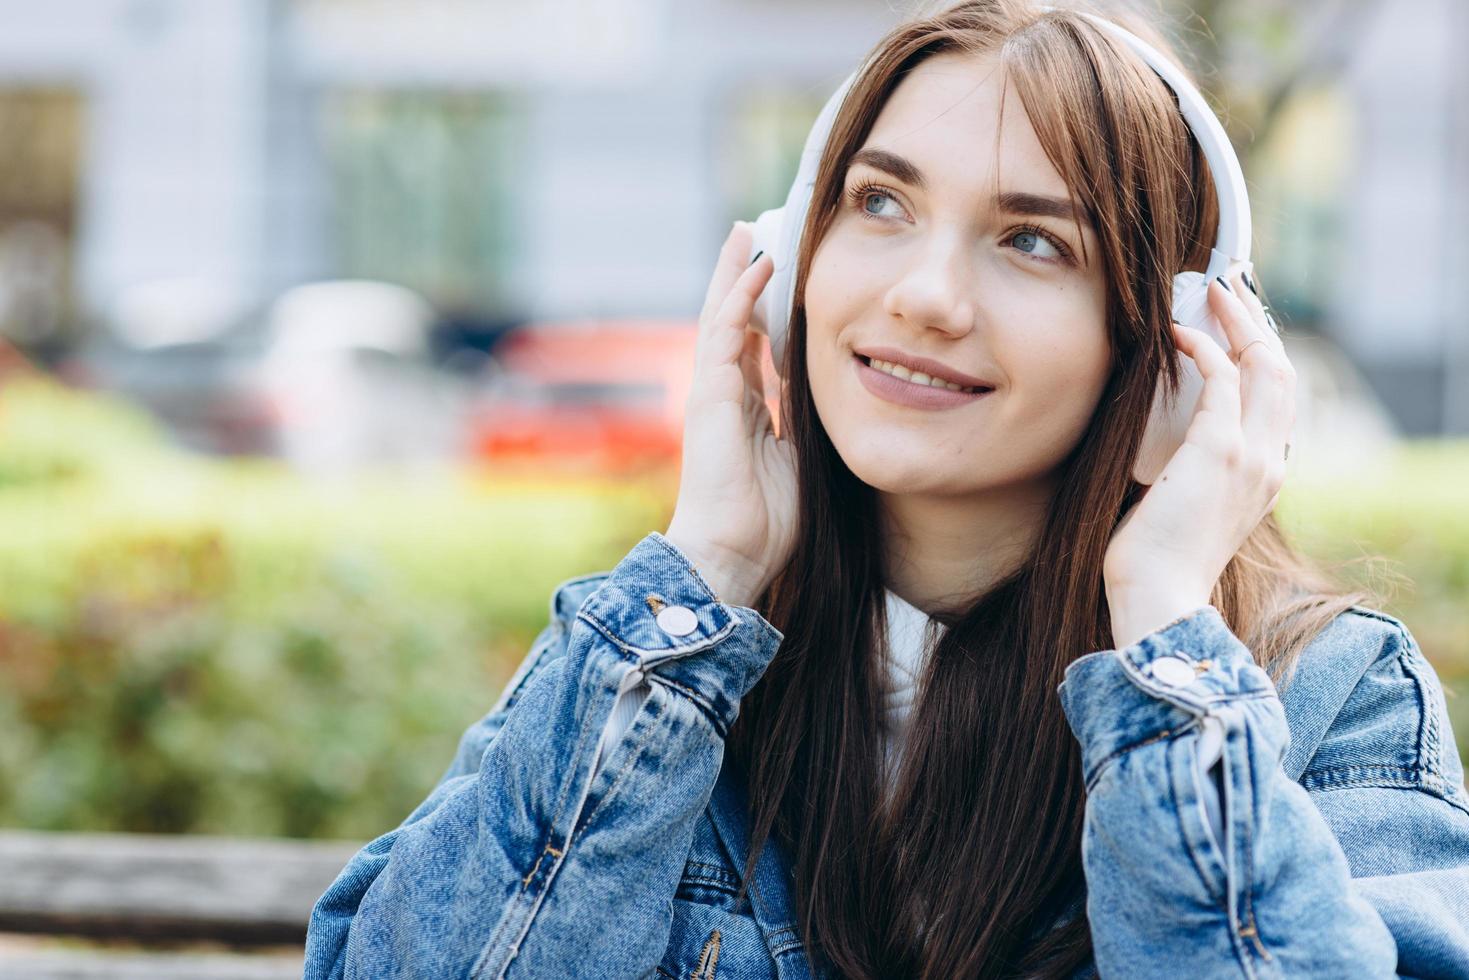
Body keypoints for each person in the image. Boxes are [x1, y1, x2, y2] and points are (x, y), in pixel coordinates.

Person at [304, 1, 1469, 977]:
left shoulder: (1326, 694)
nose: (922, 294)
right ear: (783, 272)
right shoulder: (653, 667)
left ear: (1169, 348)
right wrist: (702, 569)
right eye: (878, 203)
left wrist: (1163, 629)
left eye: (1032, 242)